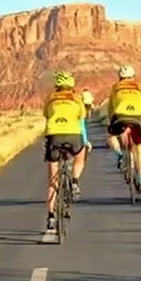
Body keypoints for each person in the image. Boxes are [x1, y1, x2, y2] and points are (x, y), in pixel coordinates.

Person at [42, 70, 90, 231]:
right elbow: (81, 121)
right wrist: (85, 142)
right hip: (73, 136)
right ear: (71, 86)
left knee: (52, 180)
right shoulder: (77, 99)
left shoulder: (50, 98)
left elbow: (47, 116)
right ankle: (75, 181)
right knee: (80, 156)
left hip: (54, 136)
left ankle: (51, 217)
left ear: (57, 86)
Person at [105, 64, 141, 192]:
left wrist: (111, 120)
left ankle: (119, 154)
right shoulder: (139, 87)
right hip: (138, 117)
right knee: (140, 148)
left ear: (120, 77)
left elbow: (111, 107)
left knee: (110, 136)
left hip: (120, 116)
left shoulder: (116, 87)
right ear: (133, 77)